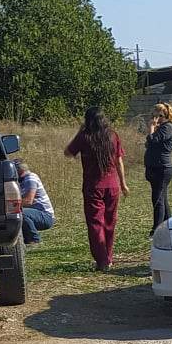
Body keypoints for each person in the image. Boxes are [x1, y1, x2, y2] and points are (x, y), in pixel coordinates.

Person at [63, 106, 128, 272]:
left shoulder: (85, 137)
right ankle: (109, 257)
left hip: (93, 186)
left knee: (95, 223)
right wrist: (123, 183)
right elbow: (119, 161)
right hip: (112, 185)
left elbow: (68, 153)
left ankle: (102, 260)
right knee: (110, 222)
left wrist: (79, 131)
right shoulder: (113, 135)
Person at [143, 103, 172, 232]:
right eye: (154, 116)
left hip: (162, 168)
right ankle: (169, 225)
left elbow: (152, 140)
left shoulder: (168, 127)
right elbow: (150, 143)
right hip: (155, 167)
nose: (156, 119)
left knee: (158, 199)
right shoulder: (161, 128)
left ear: (166, 116)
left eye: (159, 116)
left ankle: (157, 229)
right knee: (162, 198)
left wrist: (152, 128)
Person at [13, 159, 55, 245]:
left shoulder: (30, 179)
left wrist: (10, 206)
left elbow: (28, 201)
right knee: (16, 212)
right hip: (36, 213)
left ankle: (34, 239)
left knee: (20, 213)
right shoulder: (22, 181)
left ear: (19, 170)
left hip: (45, 215)